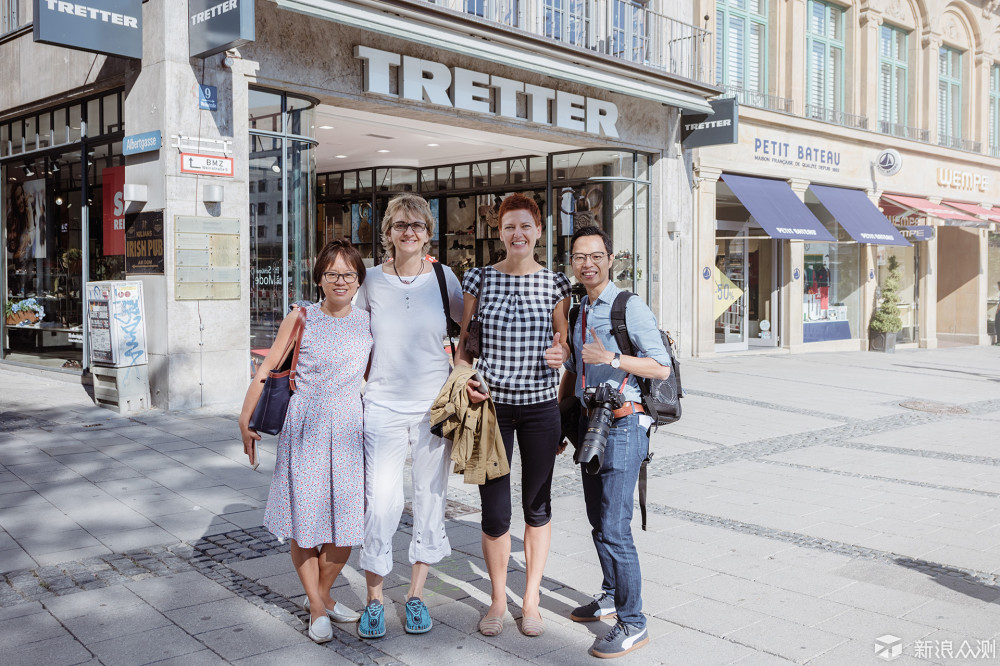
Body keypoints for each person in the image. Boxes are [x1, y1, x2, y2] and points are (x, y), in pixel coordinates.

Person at [238, 240, 371, 644]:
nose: (341, 281)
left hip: (350, 425)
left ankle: (325, 596)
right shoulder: (301, 317)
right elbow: (266, 369)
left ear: (359, 279)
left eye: (349, 273)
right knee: (306, 521)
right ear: (319, 279)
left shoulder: (368, 320)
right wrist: (245, 419)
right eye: (332, 273)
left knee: (347, 526)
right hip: (307, 426)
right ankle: (316, 606)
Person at [455, 192, 571, 638]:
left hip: (541, 409)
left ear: (538, 231)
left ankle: (532, 599)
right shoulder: (479, 279)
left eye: (525, 225)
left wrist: (561, 352)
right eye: (509, 227)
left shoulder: (557, 284)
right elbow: (465, 344)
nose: (517, 234)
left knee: (537, 507)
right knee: (495, 512)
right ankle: (499, 599)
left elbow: (562, 343)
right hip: (492, 409)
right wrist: (463, 379)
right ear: (499, 233)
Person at [353, 193, 464, 639]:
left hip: (432, 407)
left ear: (428, 232)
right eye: (401, 224)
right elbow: (350, 333)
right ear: (388, 233)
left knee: (430, 497)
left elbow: (471, 329)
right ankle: (375, 600)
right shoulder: (371, 281)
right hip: (380, 405)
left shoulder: (444, 278)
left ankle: (415, 596)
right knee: (380, 503)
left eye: (417, 225)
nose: (409, 232)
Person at [559, 225, 671, 658]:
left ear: (610, 259)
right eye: (579, 257)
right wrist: (560, 421)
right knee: (596, 519)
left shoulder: (629, 306)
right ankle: (610, 594)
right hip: (591, 424)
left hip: (625, 424)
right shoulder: (577, 310)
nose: (588, 263)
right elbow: (573, 368)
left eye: (596, 255)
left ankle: (633, 622)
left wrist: (612, 357)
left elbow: (660, 367)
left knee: (613, 527)